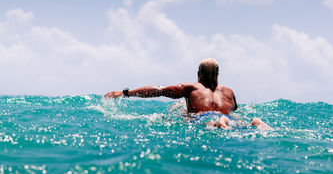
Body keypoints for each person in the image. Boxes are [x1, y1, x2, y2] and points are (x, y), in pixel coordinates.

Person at [104, 58, 270, 129]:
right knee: (242, 124)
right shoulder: (229, 92)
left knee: (210, 124)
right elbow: (235, 110)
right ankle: (255, 122)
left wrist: (124, 93)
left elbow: (158, 91)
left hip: (204, 119)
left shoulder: (191, 87)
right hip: (234, 120)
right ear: (217, 75)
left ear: (198, 74)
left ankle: (219, 123)